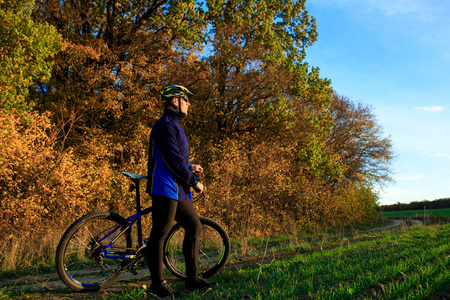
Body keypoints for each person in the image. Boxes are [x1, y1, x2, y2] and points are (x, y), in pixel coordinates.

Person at [146, 84, 214, 298]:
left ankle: (192, 279)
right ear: (175, 101)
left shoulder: (173, 124)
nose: (189, 103)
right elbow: (172, 160)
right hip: (165, 187)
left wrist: (190, 166)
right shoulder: (165, 125)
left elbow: (176, 158)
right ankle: (157, 285)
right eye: (186, 99)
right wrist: (194, 180)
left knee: (194, 226)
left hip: (177, 188)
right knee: (160, 234)